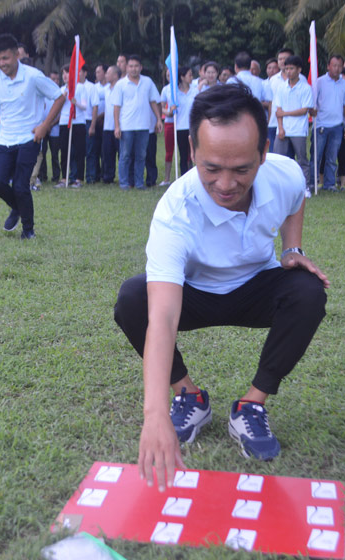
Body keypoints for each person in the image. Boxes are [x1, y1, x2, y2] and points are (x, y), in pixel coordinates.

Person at [113, 84, 329, 488]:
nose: (226, 184)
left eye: (242, 169)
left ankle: (251, 405)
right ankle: (189, 397)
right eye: (211, 168)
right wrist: (154, 414)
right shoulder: (175, 212)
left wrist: (292, 248)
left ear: (263, 153)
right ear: (192, 150)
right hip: (195, 294)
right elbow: (163, 317)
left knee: (308, 291)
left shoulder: (283, 173)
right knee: (133, 298)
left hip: (255, 287)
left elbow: (296, 197)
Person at [0, 33, 65, 239]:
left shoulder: (33, 76)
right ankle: (17, 208)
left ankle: (28, 231)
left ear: (17, 55)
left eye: (5, 58)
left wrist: (44, 126)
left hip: (29, 138)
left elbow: (59, 97)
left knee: (20, 185)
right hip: (4, 138)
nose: (1, 63)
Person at [111, 54, 163, 190]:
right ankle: (124, 183)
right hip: (126, 126)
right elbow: (116, 107)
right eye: (131, 66)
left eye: (136, 66)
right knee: (125, 156)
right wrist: (117, 126)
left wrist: (158, 119)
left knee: (141, 156)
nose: (133, 69)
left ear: (141, 67)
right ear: (127, 68)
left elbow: (153, 101)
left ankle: (139, 183)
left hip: (144, 126)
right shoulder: (121, 84)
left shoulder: (148, 82)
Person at [274, 55, 314, 195]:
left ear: (299, 70)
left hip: (298, 130)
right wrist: (280, 128)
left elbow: (304, 110)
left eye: (291, 68)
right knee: (279, 159)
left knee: (302, 159)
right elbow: (278, 111)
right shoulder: (281, 87)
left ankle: (305, 187)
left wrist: (285, 113)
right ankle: (280, 187)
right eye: (287, 69)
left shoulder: (305, 88)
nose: (288, 71)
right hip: (283, 129)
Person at [311, 55, 345, 192]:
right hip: (321, 125)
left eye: (339, 66)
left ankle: (329, 184)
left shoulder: (344, 84)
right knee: (316, 156)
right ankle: (313, 182)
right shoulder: (319, 82)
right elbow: (313, 101)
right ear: (328, 66)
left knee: (332, 157)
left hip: (337, 126)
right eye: (334, 65)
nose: (337, 68)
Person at [56, 65, 88, 188]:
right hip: (64, 121)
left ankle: (79, 178)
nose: (65, 76)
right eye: (63, 73)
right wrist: (63, 98)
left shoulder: (80, 87)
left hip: (78, 121)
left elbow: (85, 106)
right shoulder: (61, 90)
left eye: (67, 73)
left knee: (79, 151)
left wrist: (76, 102)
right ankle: (64, 178)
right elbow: (57, 107)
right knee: (64, 150)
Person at [166, 66, 199, 178]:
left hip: (193, 127)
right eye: (189, 75)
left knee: (195, 154)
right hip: (180, 127)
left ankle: (196, 176)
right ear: (182, 77)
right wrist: (172, 109)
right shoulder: (175, 93)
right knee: (184, 155)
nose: (191, 77)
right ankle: (184, 177)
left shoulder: (195, 91)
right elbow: (171, 113)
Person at [266, 48, 294, 155]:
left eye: (285, 58)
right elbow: (270, 103)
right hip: (274, 123)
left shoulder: (301, 80)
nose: (282, 61)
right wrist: (268, 121)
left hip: (292, 124)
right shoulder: (272, 80)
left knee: (290, 156)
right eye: (280, 59)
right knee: (274, 155)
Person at [101, 65, 121, 184]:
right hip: (107, 127)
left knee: (122, 154)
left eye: (108, 73)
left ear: (115, 75)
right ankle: (108, 176)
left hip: (119, 126)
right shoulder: (105, 89)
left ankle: (123, 177)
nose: (106, 75)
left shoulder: (121, 87)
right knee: (108, 153)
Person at [86, 64, 106, 184]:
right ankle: (95, 174)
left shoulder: (110, 87)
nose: (96, 74)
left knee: (105, 150)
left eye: (99, 72)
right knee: (95, 149)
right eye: (96, 72)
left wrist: (101, 116)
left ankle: (104, 174)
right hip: (95, 121)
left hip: (106, 122)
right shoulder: (95, 87)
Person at [160, 68, 177, 186]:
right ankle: (166, 178)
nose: (169, 77)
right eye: (167, 75)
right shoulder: (165, 89)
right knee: (169, 151)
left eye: (171, 74)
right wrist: (168, 112)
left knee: (186, 152)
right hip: (169, 122)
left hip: (182, 123)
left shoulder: (182, 88)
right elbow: (161, 107)